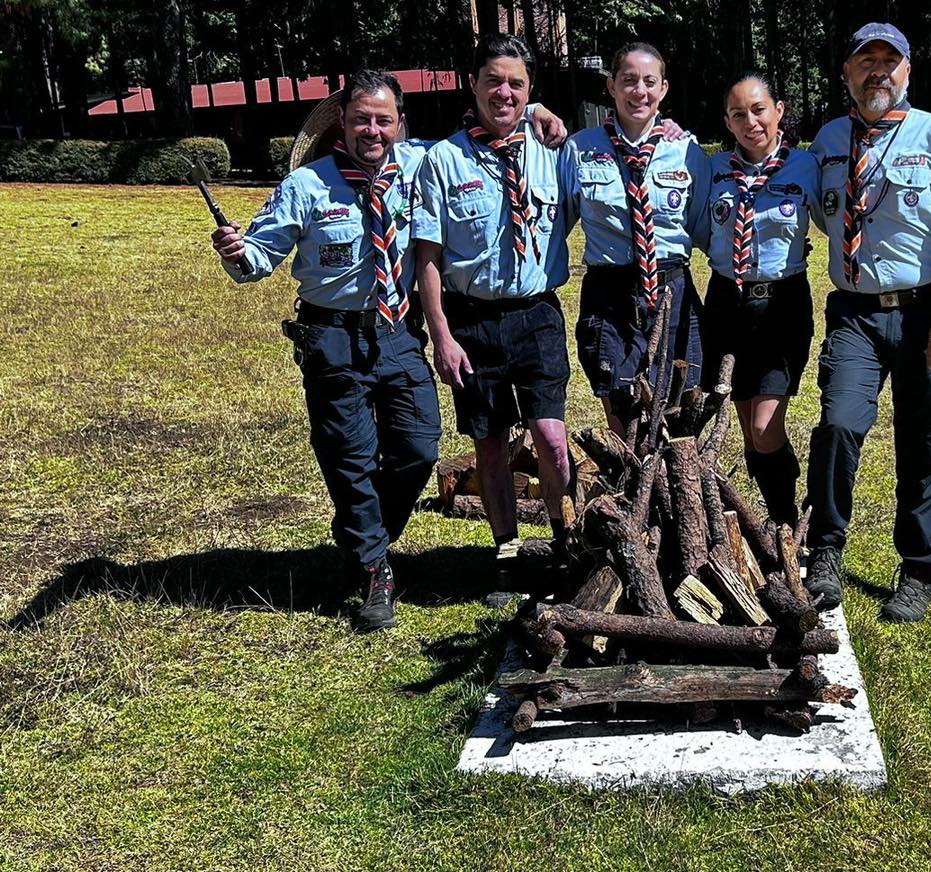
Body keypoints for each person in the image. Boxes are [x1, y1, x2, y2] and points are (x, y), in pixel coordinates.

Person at [211, 69, 440, 632]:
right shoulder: (306, 187)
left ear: (400, 125)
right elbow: (259, 260)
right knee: (349, 456)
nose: (373, 130)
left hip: (399, 330)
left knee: (419, 447)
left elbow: (479, 138)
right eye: (362, 118)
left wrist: (536, 115)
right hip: (332, 334)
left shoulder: (419, 167)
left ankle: (365, 537)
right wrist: (237, 251)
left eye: (384, 120)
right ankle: (373, 571)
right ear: (342, 121)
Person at [804, 22, 931, 623]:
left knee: (924, 439)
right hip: (855, 312)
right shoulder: (828, 141)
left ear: (908, 72)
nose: (877, 71)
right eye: (865, 62)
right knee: (838, 424)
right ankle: (824, 552)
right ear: (847, 74)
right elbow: (776, 182)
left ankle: (917, 569)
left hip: (925, 312)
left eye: (889, 62)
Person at [412, 34, 577, 561]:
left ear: (530, 90)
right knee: (490, 442)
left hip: (537, 316)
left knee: (551, 438)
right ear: (473, 85)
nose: (504, 93)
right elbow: (429, 256)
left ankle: (564, 540)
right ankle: (505, 549)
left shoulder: (554, 150)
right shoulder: (443, 160)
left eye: (517, 83)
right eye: (493, 81)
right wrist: (441, 335)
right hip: (472, 322)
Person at [565, 43, 711, 434]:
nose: (639, 91)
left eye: (649, 82)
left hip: (672, 289)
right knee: (622, 411)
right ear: (611, 86)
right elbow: (558, 217)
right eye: (629, 81)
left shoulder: (687, 152)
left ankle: (675, 490)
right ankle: (630, 490)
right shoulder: (579, 149)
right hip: (609, 292)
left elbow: (700, 226)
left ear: (663, 89)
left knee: (682, 406)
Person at [699, 72, 820, 527]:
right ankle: (773, 528)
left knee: (766, 427)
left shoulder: (806, 166)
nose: (750, 121)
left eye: (758, 110)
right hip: (727, 305)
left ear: (779, 111)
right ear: (727, 122)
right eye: (737, 114)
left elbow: (838, 216)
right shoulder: (712, 170)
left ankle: (789, 525)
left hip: (782, 306)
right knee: (749, 425)